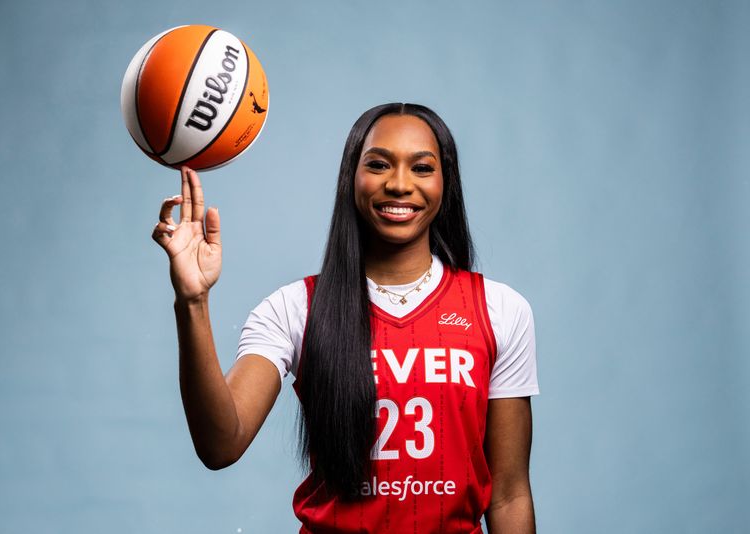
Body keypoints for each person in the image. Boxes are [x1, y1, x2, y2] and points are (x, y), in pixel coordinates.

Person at [151, 103, 540, 533]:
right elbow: (221, 445)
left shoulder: (499, 309)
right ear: (351, 178)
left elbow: (509, 494)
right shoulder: (294, 308)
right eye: (378, 164)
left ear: (445, 183)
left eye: (422, 168)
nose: (399, 184)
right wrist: (193, 300)